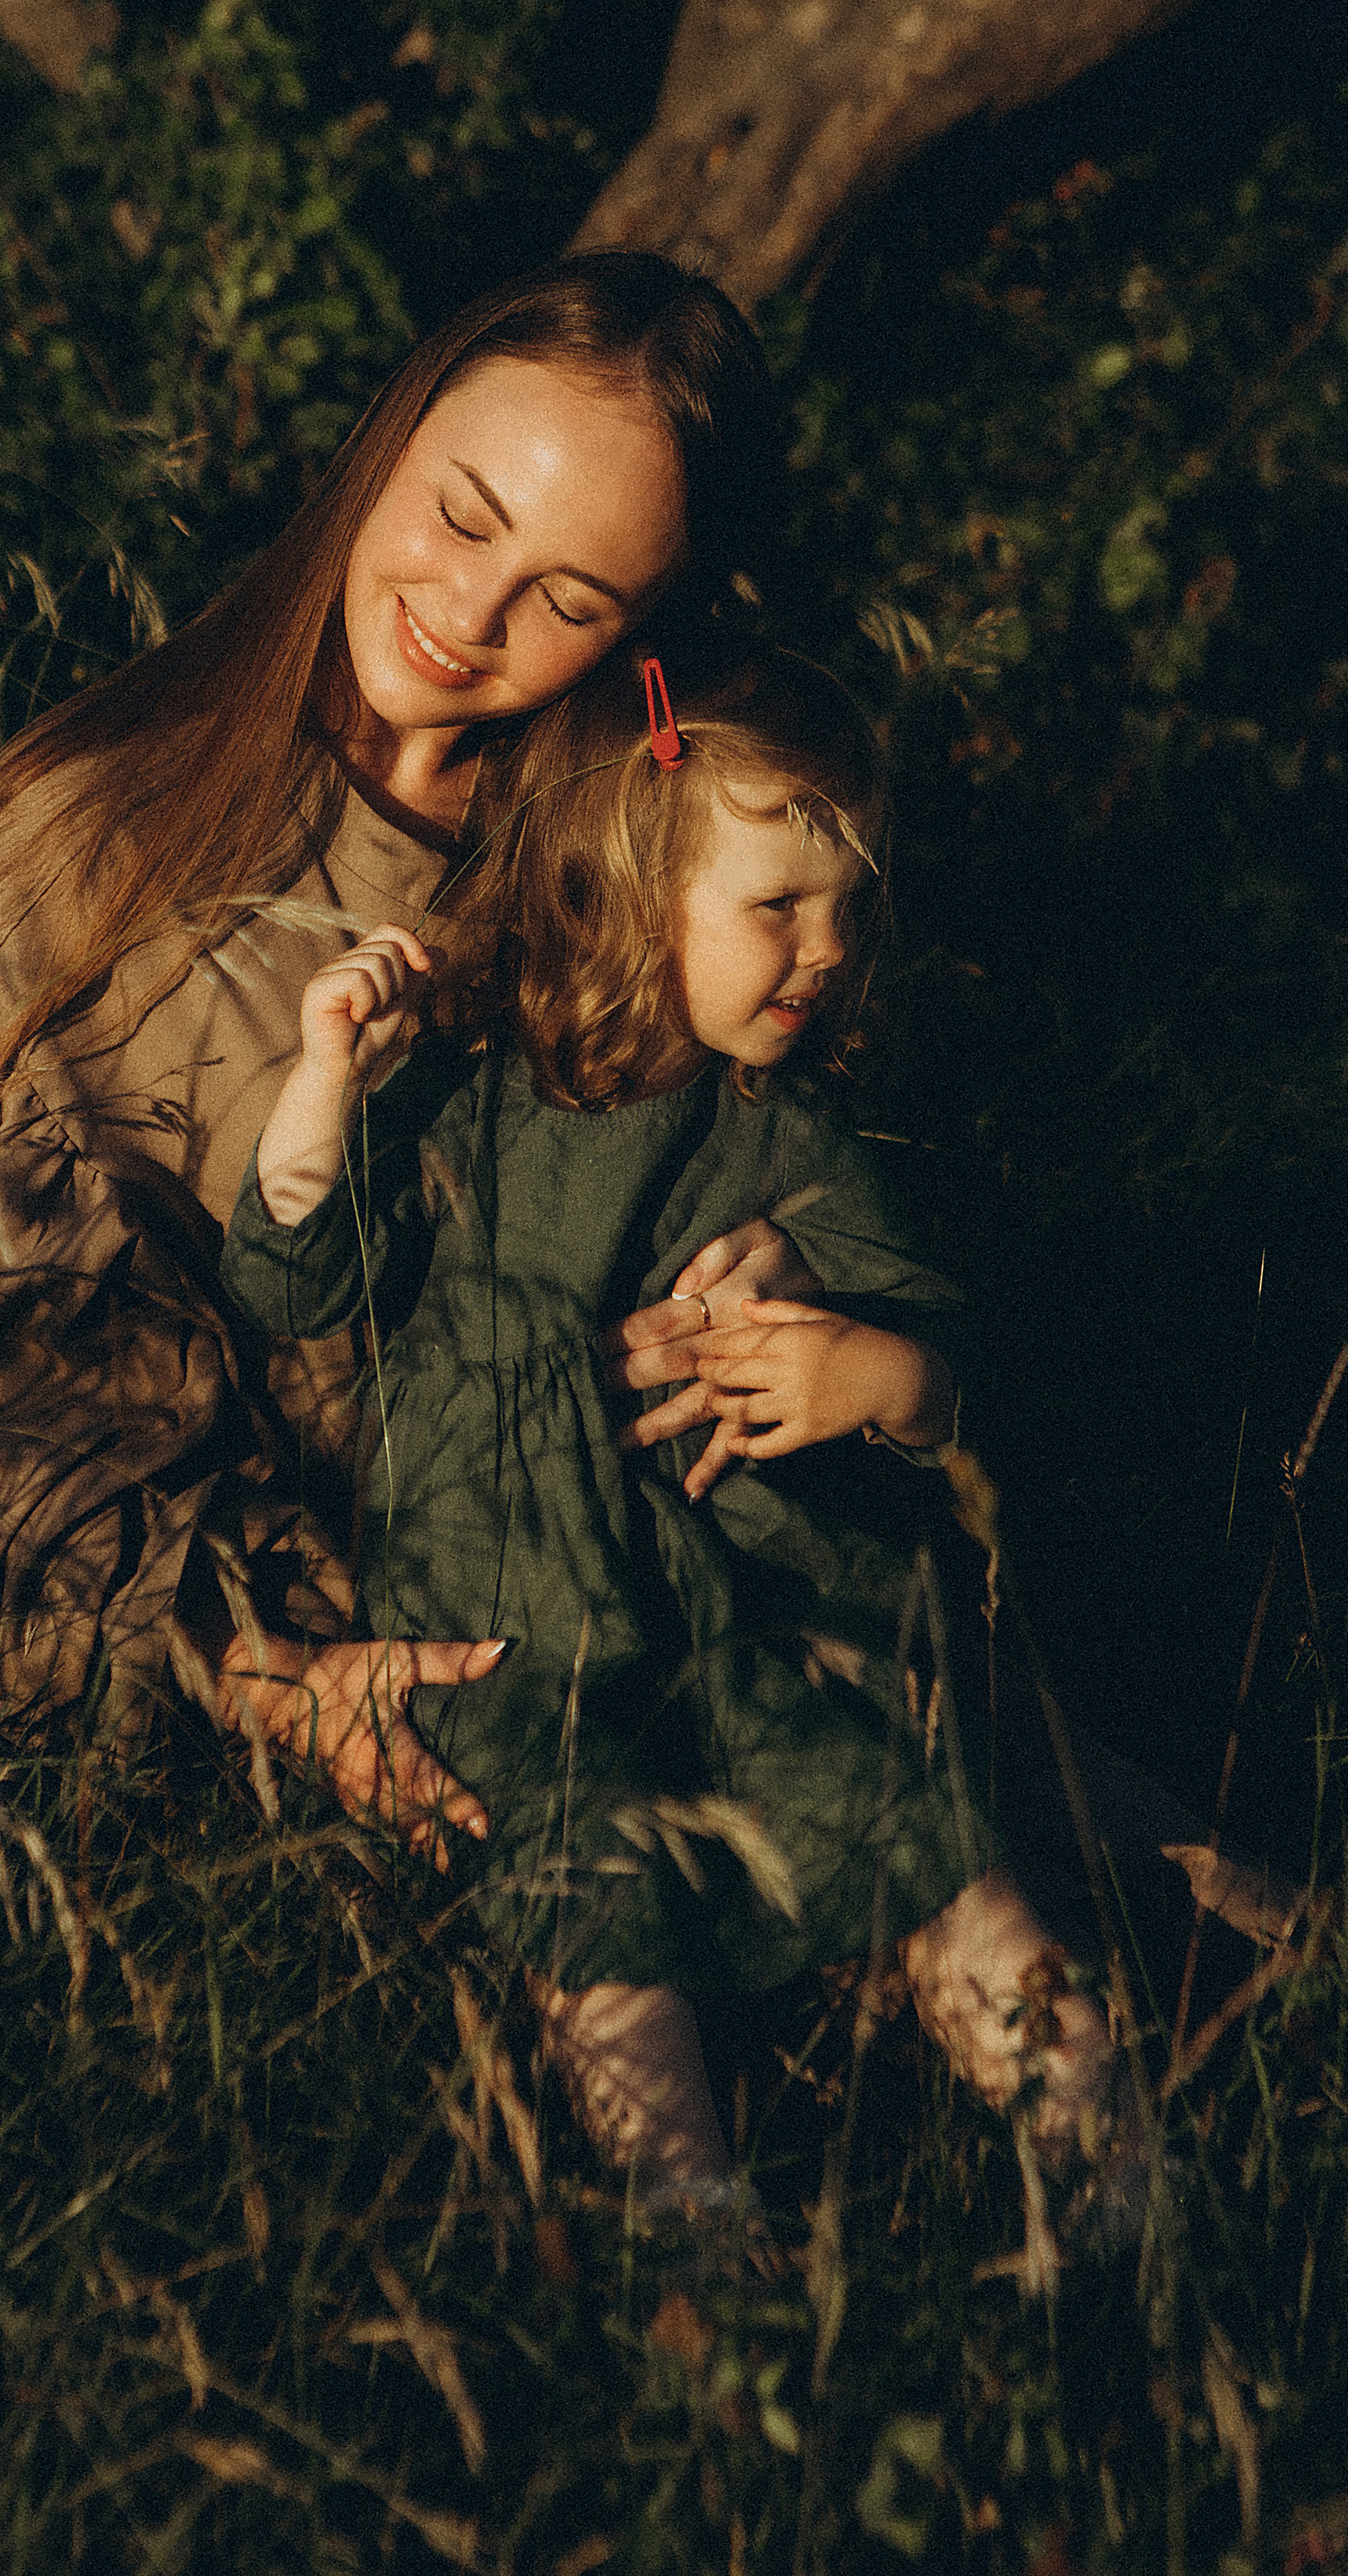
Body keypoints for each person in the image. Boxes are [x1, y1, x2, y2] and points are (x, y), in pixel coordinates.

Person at [0, 255, 820, 1843]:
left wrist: (757, 1266)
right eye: (462, 516)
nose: (472, 614)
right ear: (386, 448)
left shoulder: (646, 867)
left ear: (647, 639)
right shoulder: (87, 855)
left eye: (572, 601)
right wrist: (256, 1676)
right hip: (303, 1709)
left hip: (668, 1617)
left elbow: (767, 1165)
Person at [219, 638, 1119, 2200]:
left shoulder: (781, 1135)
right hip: (514, 1643)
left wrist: (870, 1375)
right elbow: (296, 1280)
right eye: (778, 909)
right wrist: (323, 1080)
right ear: (636, 896)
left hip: (753, 1625)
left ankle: (1111, 2174)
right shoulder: (461, 1104)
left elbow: (948, 1369)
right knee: (596, 1919)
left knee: (928, 1852)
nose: (825, 951)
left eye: (846, 912)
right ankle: (689, 2232)